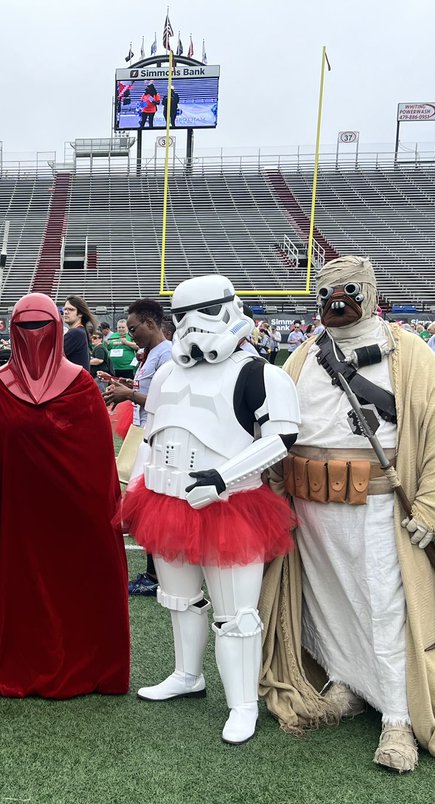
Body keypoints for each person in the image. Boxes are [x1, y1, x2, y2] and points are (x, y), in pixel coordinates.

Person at [260, 256, 435, 773]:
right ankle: (349, 681)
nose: (334, 302)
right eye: (325, 293)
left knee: (383, 606)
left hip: (379, 506)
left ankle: (396, 718)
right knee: (325, 603)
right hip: (312, 509)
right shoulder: (301, 357)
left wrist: (431, 509)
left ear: (368, 292)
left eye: (346, 291)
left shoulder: (410, 355)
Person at [120, 276, 300, 744]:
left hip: (230, 506)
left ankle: (242, 704)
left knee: (236, 614)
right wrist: (137, 486)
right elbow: (154, 433)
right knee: (179, 600)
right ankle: (186, 674)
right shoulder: (165, 373)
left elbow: (281, 438)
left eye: (205, 311)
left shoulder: (259, 373)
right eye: (185, 315)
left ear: (229, 309)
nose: (194, 325)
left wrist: (224, 477)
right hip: (165, 500)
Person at [0, 294, 130, 698]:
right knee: (17, 592)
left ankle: (86, 659)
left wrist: (99, 515)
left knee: (74, 587)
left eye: (41, 327)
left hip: (70, 520)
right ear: (12, 331)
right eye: (25, 328)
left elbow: (98, 466)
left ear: (58, 329)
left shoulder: (81, 386)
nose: (34, 337)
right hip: (13, 516)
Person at [105, 299, 172, 596]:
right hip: (145, 431)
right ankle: (154, 571)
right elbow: (149, 391)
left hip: (156, 434)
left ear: (150, 323)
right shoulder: (153, 353)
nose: (132, 335)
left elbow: (170, 399)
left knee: (149, 503)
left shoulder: (167, 354)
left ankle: (155, 574)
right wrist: (123, 385)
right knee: (142, 502)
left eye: (134, 329)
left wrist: (129, 394)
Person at [61, 295, 94, 370]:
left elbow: (53, 356)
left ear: (80, 314)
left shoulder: (76, 333)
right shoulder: (81, 331)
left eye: (71, 309)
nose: (66, 312)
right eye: (65, 309)